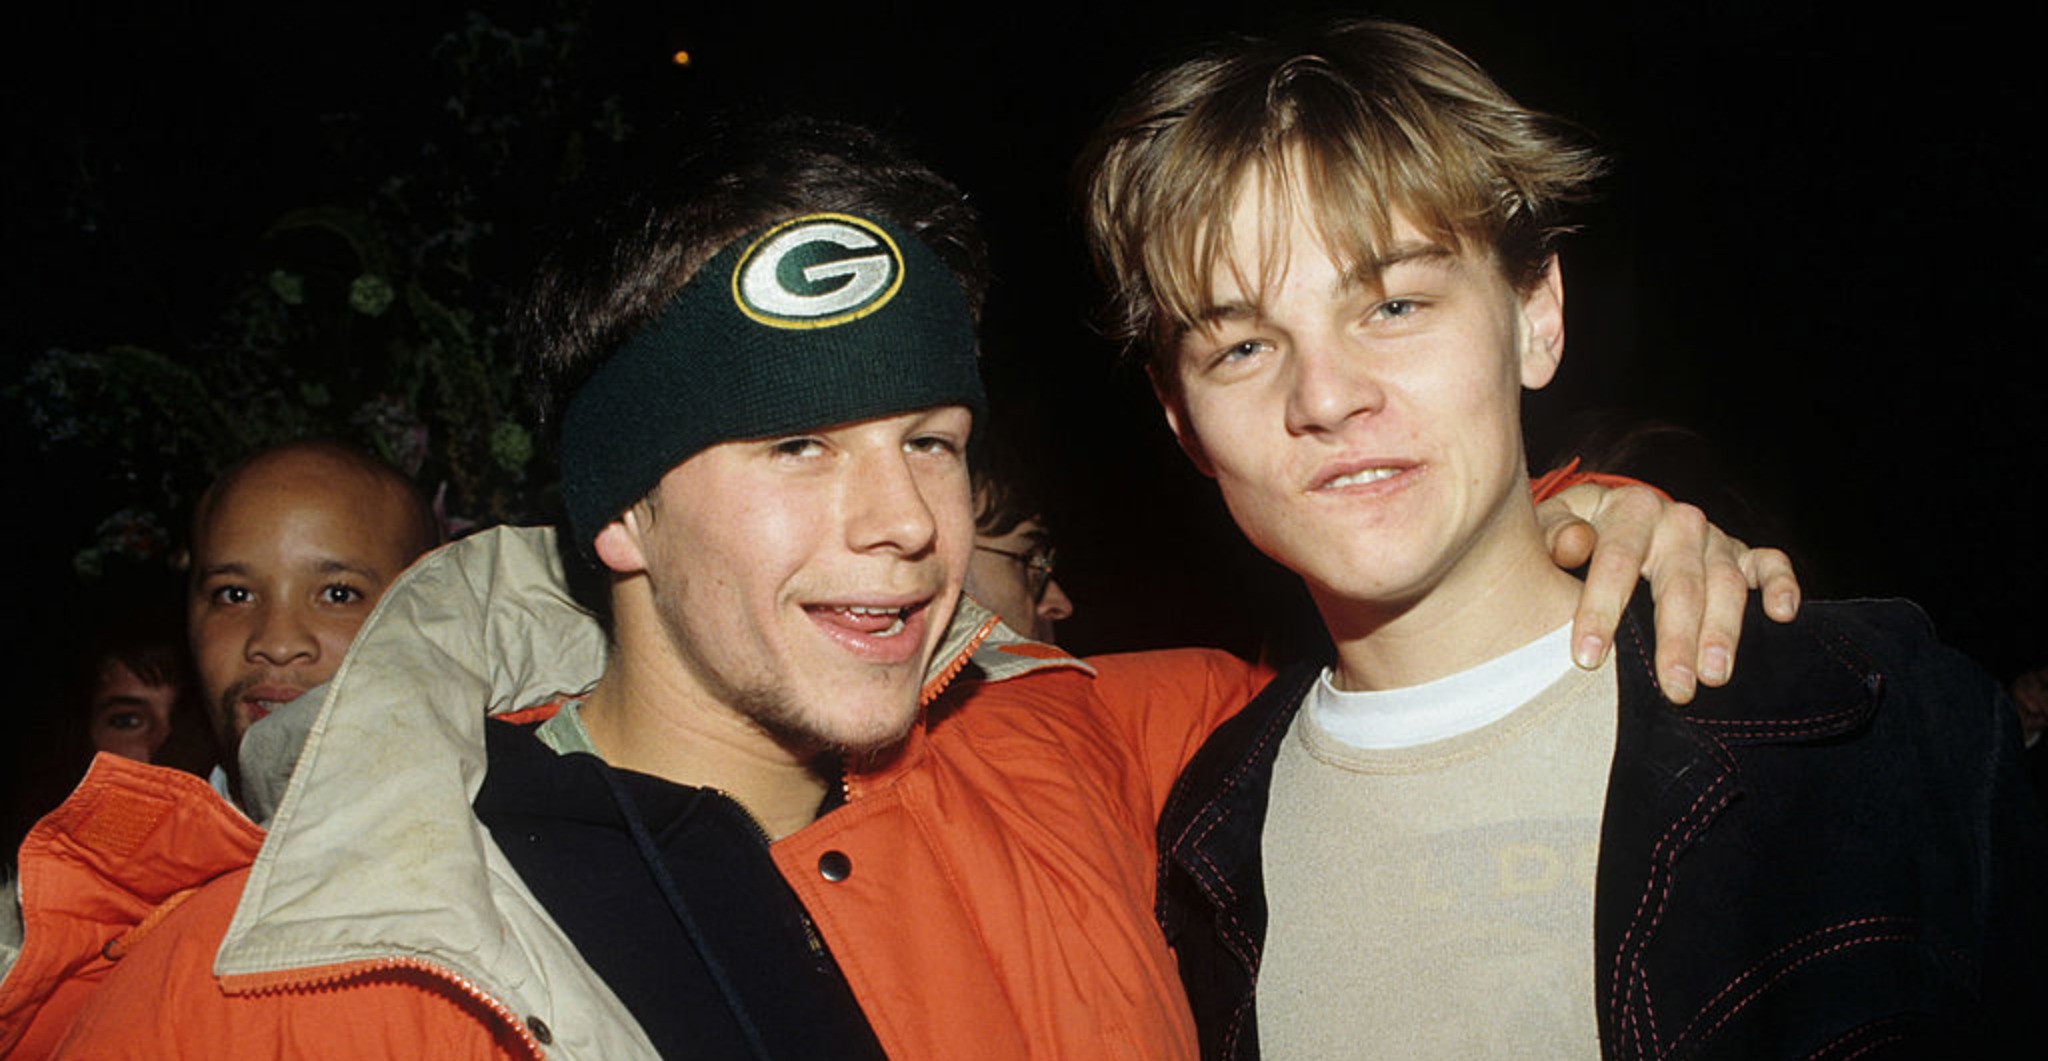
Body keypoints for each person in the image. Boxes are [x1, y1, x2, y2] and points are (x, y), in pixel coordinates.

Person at [1, 116, 1782, 1060]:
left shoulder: (1056, 753)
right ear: (616, 511)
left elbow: (1410, 641)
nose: (901, 524)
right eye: (793, 451)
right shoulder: (325, 973)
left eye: (927, 439)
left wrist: (1590, 511)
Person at [1078, 19, 2048, 1058]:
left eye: (1394, 303)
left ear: (1535, 312)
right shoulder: (1198, 847)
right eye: (1240, 346)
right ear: (1180, 417)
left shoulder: (1871, 719)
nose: (1324, 395)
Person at [183, 440, 439, 802]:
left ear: (430, 620)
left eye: (338, 595)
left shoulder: (508, 849)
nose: (278, 644)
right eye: (236, 595)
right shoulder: (113, 856)